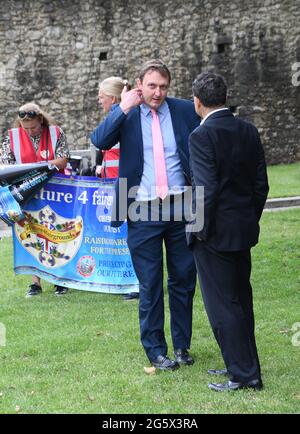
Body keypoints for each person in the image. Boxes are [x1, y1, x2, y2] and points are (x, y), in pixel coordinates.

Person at [91, 59, 199, 370]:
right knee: (150, 283)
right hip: (141, 207)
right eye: (152, 86)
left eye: (163, 86)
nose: (158, 92)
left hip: (182, 206)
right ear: (140, 84)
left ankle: (181, 346)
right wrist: (122, 107)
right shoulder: (126, 113)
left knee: (183, 279)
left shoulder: (184, 110)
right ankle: (156, 350)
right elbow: (99, 141)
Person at [187, 72, 269, 391]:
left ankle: (245, 374)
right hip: (242, 230)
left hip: (214, 234)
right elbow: (261, 185)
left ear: (197, 102)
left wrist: (196, 230)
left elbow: (204, 189)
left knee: (224, 306)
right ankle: (240, 364)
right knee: (240, 301)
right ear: (225, 96)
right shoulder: (248, 129)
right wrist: (249, 218)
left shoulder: (201, 135)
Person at [0, 102, 70, 297]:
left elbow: (63, 159)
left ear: (41, 119)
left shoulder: (55, 133)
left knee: (54, 233)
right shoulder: (12, 137)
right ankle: (35, 282)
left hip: (53, 190)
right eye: (26, 128)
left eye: (34, 127)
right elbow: (5, 164)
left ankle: (59, 279)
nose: (30, 131)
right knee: (31, 234)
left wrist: (38, 168)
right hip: (26, 194)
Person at [96, 76, 139, 301]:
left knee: (130, 239)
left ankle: (136, 283)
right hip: (116, 186)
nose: (98, 100)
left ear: (113, 98)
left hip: (125, 187)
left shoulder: (124, 119)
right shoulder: (117, 118)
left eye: (101, 97)